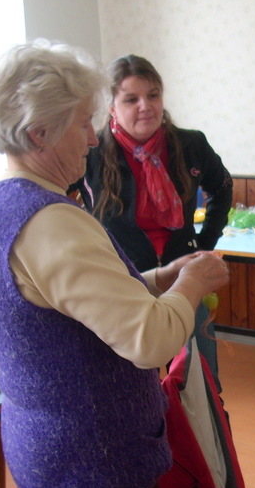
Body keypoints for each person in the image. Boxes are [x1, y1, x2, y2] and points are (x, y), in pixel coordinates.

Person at [0, 41, 230, 488]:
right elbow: (151, 340)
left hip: (47, 455)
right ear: (39, 133)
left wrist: (161, 277)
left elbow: (70, 307)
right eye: (83, 122)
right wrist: (193, 282)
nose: (92, 139)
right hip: (95, 470)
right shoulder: (49, 221)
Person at [72, 54, 233, 391]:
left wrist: (204, 245)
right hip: (124, 284)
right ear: (112, 108)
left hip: (186, 279)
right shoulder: (91, 153)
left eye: (153, 95)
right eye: (131, 99)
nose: (145, 106)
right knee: (131, 389)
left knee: (201, 386)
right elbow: (58, 201)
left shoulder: (191, 144)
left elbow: (222, 188)